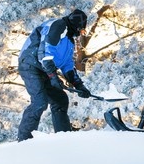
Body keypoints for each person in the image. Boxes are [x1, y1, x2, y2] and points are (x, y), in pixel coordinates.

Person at [17, 9, 91, 141]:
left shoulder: (69, 41)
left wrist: (79, 85)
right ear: (77, 25)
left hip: (44, 69)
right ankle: (24, 141)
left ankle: (63, 138)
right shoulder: (58, 26)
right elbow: (44, 53)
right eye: (82, 30)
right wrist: (53, 77)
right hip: (30, 65)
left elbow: (67, 65)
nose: (80, 34)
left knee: (60, 100)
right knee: (40, 101)